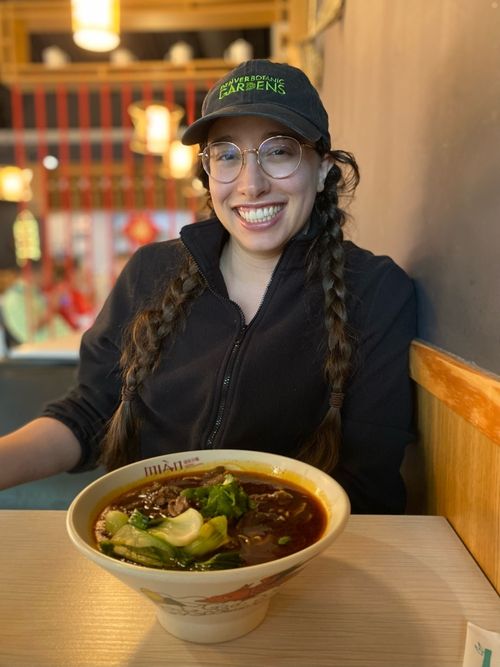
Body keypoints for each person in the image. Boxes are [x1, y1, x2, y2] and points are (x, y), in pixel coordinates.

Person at [0, 60, 416, 513]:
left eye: (279, 152)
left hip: (292, 552)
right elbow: (89, 412)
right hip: (144, 543)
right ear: (208, 171)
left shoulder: (375, 291)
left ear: (322, 170)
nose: (251, 185)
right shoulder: (150, 270)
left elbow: (367, 485)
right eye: (227, 155)